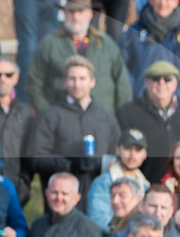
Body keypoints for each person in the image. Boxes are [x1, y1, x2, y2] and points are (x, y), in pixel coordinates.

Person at [26, 56, 122, 193]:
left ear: (92, 82)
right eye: (72, 79)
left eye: (82, 79)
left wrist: (99, 164)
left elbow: (117, 156)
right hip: (61, 197)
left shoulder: (107, 117)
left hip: (100, 195)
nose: (77, 84)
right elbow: (36, 158)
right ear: (65, 82)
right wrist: (70, 165)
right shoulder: (50, 115)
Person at [27, 0, 130, 114]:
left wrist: (122, 115)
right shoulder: (48, 44)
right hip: (61, 119)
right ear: (65, 13)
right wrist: (46, 113)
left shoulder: (107, 44)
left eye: (80, 11)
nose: (75, 17)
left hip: (102, 118)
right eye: (71, 12)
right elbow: (34, 82)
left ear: (90, 14)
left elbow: (122, 83)